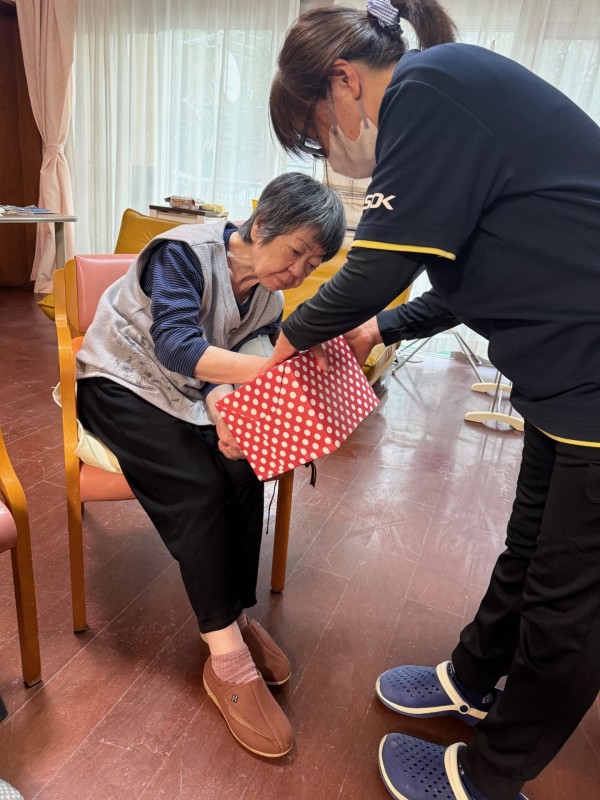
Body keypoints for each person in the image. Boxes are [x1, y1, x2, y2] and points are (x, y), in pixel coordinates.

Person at [267, 1, 600, 798]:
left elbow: (376, 267)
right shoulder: (450, 88)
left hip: (589, 375)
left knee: (568, 604)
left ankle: (490, 778)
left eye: (317, 132)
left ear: (342, 81)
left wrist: (284, 345)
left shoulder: (427, 90)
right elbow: (456, 271)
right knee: (529, 549)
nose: (333, 151)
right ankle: (473, 680)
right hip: (564, 377)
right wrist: (379, 327)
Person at [75, 172, 345, 758]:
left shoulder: (268, 297)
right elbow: (178, 346)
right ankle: (226, 660)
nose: (298, 272)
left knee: (245, 471)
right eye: (297, 251)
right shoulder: (184, 253)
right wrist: (278, 370)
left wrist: (227, 411)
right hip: (119, 383)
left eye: (312, 263)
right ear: (262, 224)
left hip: (186, 395)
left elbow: (240, 353)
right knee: (197, 488)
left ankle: (237, 617)